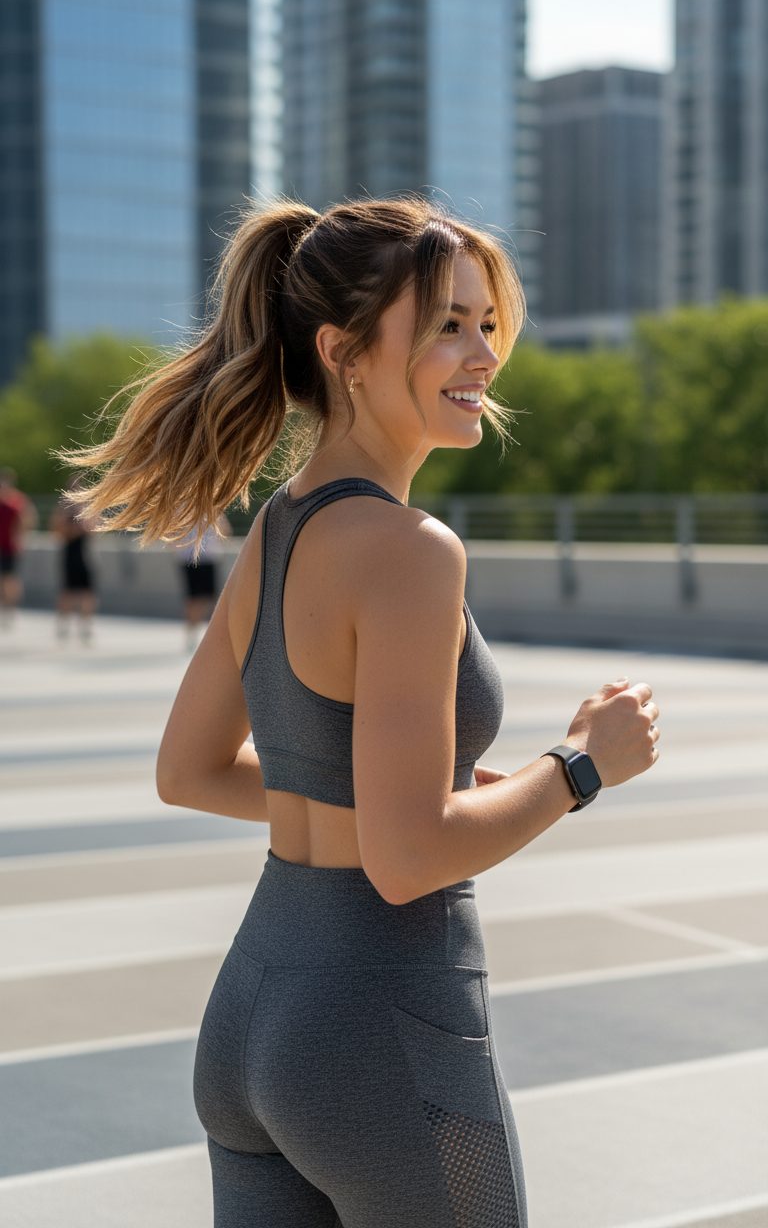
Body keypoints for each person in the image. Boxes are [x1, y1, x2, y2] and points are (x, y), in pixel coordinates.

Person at [64, 198, 660, 1227]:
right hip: (380, 1030)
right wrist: (579, 764)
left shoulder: (278, 532)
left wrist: (380, 794)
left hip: (251, 1018)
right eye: (445, 325)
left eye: (485, 322)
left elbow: (190, 769)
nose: (483, 353)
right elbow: (408, 857)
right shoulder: (410, 551)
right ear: (342, 351)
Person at [49, 478, 97, 642]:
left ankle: (85, 626)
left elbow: (93, 529)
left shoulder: (87, 508)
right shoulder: (63, 510)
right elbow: (57, 531)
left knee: (87, 592)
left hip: (84, 553)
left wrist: (82, 524)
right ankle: (64, 624)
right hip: (69, 553)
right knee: (67, 591)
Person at [175, 516, 233, 651]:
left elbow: (225, 529)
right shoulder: (207, 507)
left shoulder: (211, 507)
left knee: (204, 597)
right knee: (196, 597)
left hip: (201, 556)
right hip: (194, 556)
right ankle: (193, 632)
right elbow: (225, 530)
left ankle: (196, 631)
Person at [0, 467, 38, 626]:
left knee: (10, 579)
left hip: (9, 546)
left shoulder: (18, 500)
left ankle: (10, 609)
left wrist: (21, 536)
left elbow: (29, 519)